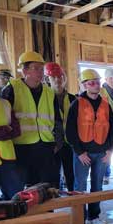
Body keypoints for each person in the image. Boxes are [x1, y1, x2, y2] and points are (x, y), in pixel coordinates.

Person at [0, 51, 63, 189]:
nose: (40, 72)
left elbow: (57, 120)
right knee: (24, 191)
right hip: (22, 147)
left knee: (47, 188)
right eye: (36, 68)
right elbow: (2, 120)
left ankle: (47, 211)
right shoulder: (11, 90)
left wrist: (58, 142)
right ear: (24, 70)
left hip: (46, 146)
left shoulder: (49, 92)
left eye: (42, 69)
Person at [66, 69, 113, 224]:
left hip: (101, 153)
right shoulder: (76, 104)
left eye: (97, 82)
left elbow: (112, 130)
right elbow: (70, 131)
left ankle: (93, 217)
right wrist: (79, 153)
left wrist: (109, 151)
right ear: (84, 85)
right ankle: (79, 219)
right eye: (91, 82)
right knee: (80, 187)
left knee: (97, 186)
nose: (95, 85)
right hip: (83, 154)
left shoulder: (106, 105)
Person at [45, 62, 76, 192]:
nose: (58, 80)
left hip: (69, 143)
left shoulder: (73, 99)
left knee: (71, 174)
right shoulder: (44, 98)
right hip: (52, 143)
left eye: (60, 76)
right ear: (48, 80)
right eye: (54, 77)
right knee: (53, 177)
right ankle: (54, 205)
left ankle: (74, 201)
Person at [0, 92, 24, 200]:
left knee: (15, 199)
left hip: (7, 159)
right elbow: (9, 130)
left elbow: (16, 131)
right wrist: (4, 130)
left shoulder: (5, 103)